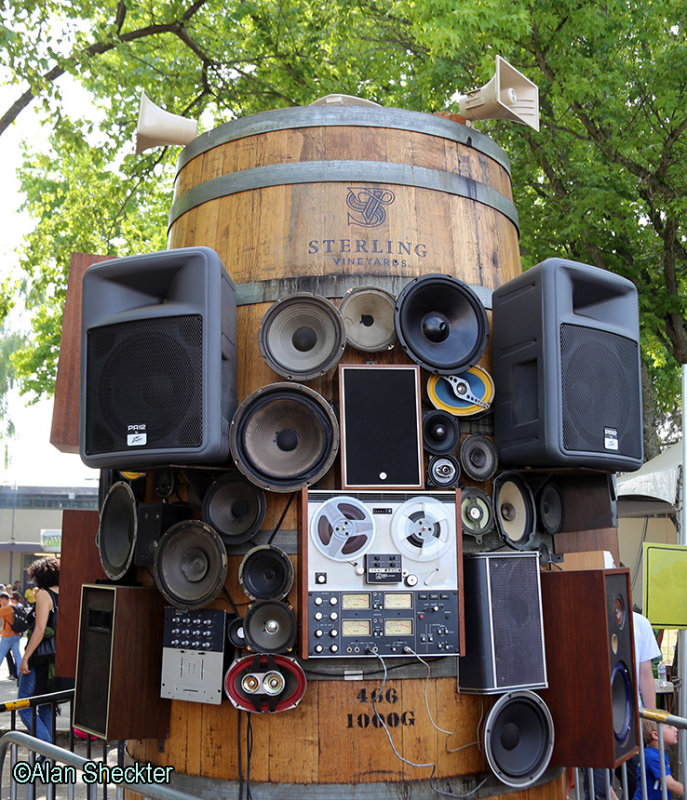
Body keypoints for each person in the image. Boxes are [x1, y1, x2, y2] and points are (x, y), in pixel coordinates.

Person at [17, 557, 60, 743]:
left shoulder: (44, 595)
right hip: (55, 658)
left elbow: (40, 629)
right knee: (46, 707)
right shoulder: (64, 593)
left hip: (39, 657)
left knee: (23, 707)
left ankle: (46, 752)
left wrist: (25, 657)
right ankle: (48, 761)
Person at [632, 719, 683, 800]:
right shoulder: (652, 756)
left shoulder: (658, 753)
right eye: (670, 726)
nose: (676, 729)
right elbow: (670, 784)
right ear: (656, 735)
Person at [0, 592, 22, 680]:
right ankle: (20, 674)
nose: (0, 602)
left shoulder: (6, 609)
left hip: (7, 635)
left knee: (1, 654)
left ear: (5, 599)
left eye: (1, 600)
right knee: (17, 655)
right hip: (16, 634)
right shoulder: (14, 607)